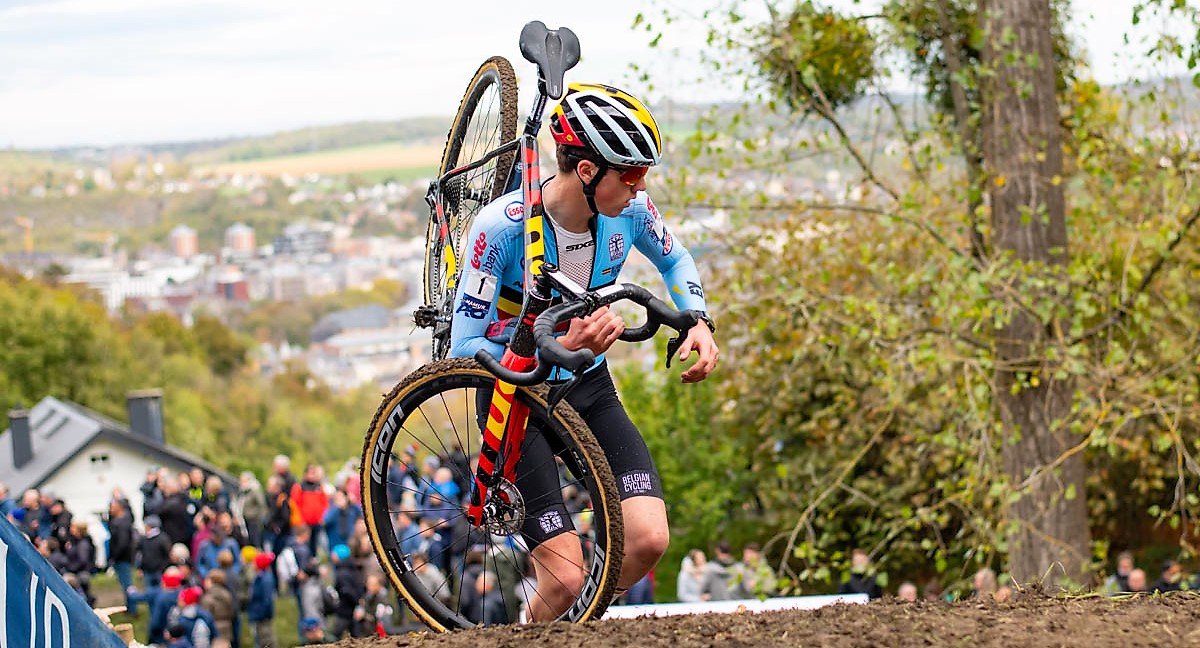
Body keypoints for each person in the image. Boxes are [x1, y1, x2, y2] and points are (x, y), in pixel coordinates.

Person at [448, 82, 718, 622]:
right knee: (565, 575)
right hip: (514, 391)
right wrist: (557, 349)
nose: (641, 187)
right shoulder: (500, 228)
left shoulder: (631, 211)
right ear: (590, 171)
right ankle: (535, 628)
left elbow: (676, 259)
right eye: (632, 173)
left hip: (587, 384)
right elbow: (464, 350)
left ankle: (574, 627)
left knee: (646, 540)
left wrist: (700, 321)